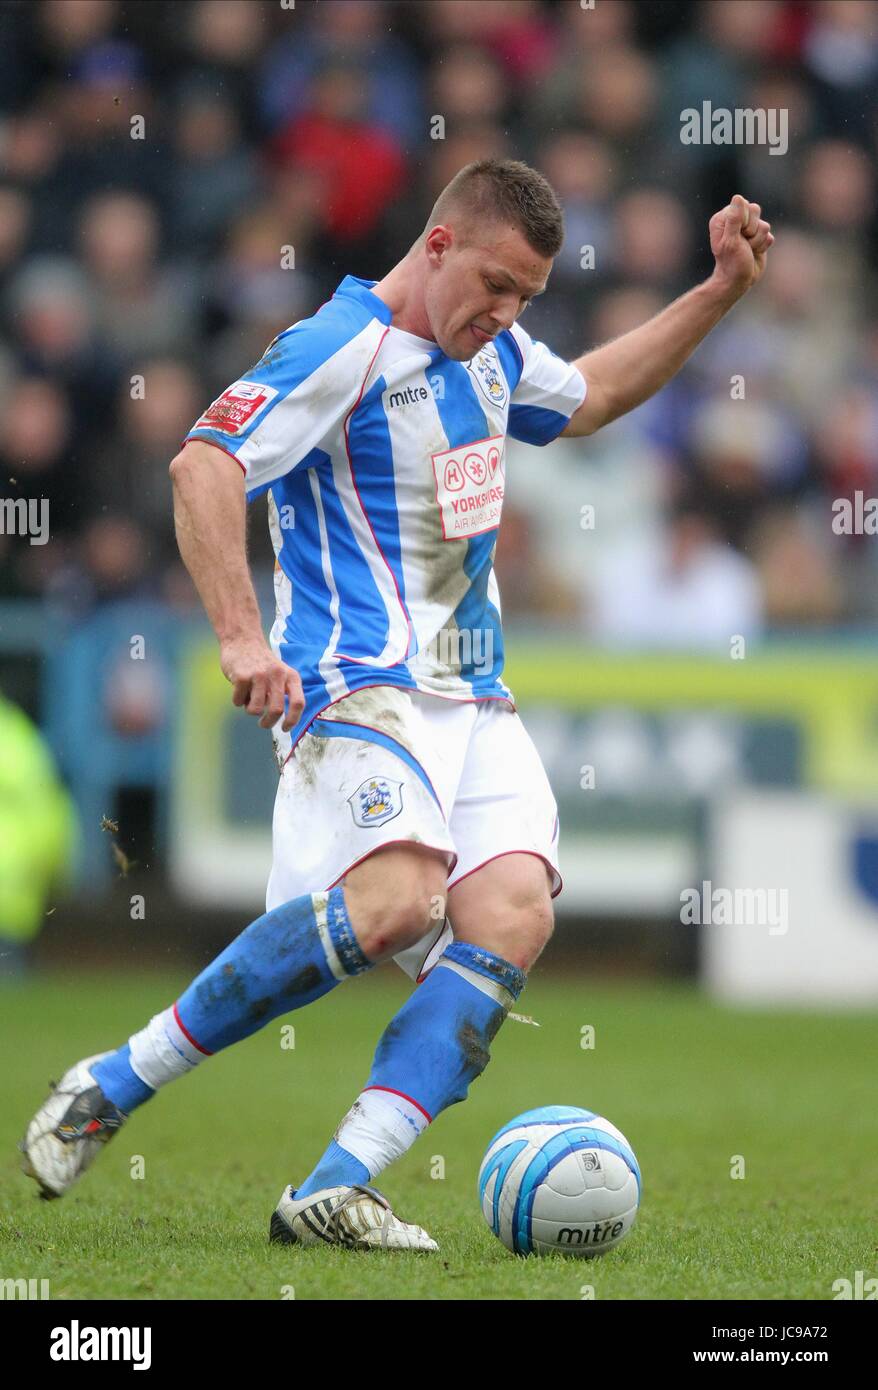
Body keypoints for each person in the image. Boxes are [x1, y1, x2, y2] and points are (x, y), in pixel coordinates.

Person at [22, 159, 773, 1250]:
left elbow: (596, 393)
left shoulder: (494, 352)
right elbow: (203, 464)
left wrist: (715, 293)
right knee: (398, 901)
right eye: (496, 286)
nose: (507, 315)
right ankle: (113, 1082)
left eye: (527, 296)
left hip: (473, 695)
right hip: (355, 679)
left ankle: (338, 1184)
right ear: (435, 246)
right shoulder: (341, 348)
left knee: (512, 911)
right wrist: (238, 631)